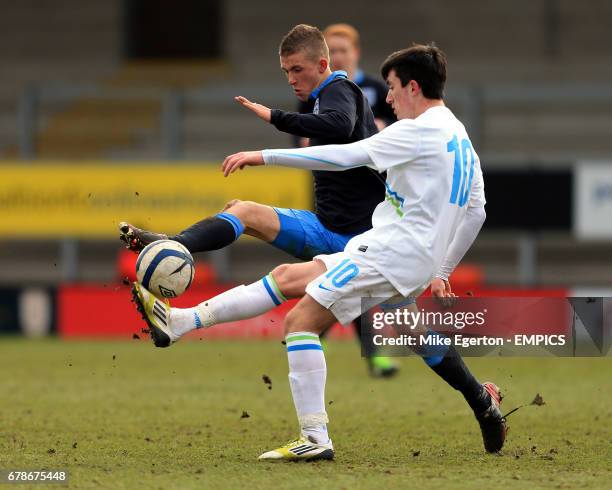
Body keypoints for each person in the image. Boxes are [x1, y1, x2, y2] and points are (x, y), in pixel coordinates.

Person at [131, 43, 507, 460]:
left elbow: (346, 156)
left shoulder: (416, 132)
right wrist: (442, 268)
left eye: (393, 88)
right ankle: (182, 322)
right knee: (288, 279)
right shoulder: (460, 136)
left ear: (413, 87)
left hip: (391, 253)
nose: (387, 98)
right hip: (398, 253)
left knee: (299, 322)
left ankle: (315, 437)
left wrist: (264, 155)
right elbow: (476, 211)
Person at [120, 24, 397, 377]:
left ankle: (469, 395)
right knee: (244, 212)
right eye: (286, 71)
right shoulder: (319, 98)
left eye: (297, 69)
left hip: (359, 242)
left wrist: (275, 118)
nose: (290, 79)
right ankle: (173, 245)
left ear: (322, 63)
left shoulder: (340, 88)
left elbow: (341, 126)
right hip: (327, 227)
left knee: (299, 309)